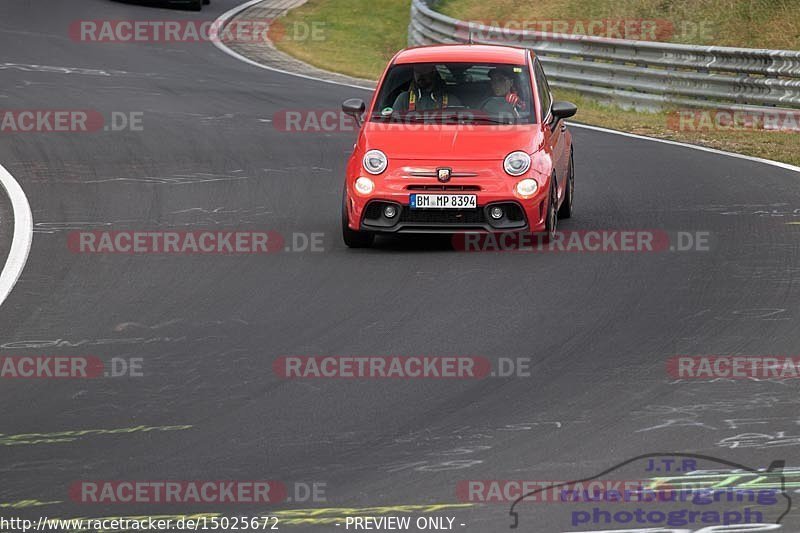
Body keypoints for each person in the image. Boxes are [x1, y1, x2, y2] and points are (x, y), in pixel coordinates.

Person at [392, 64, 462, 112]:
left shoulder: (451, 101)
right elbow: (392, 126)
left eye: (424, 71)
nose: (420, 75)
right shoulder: (403, 99)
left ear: (433, 72)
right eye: (417, 71)